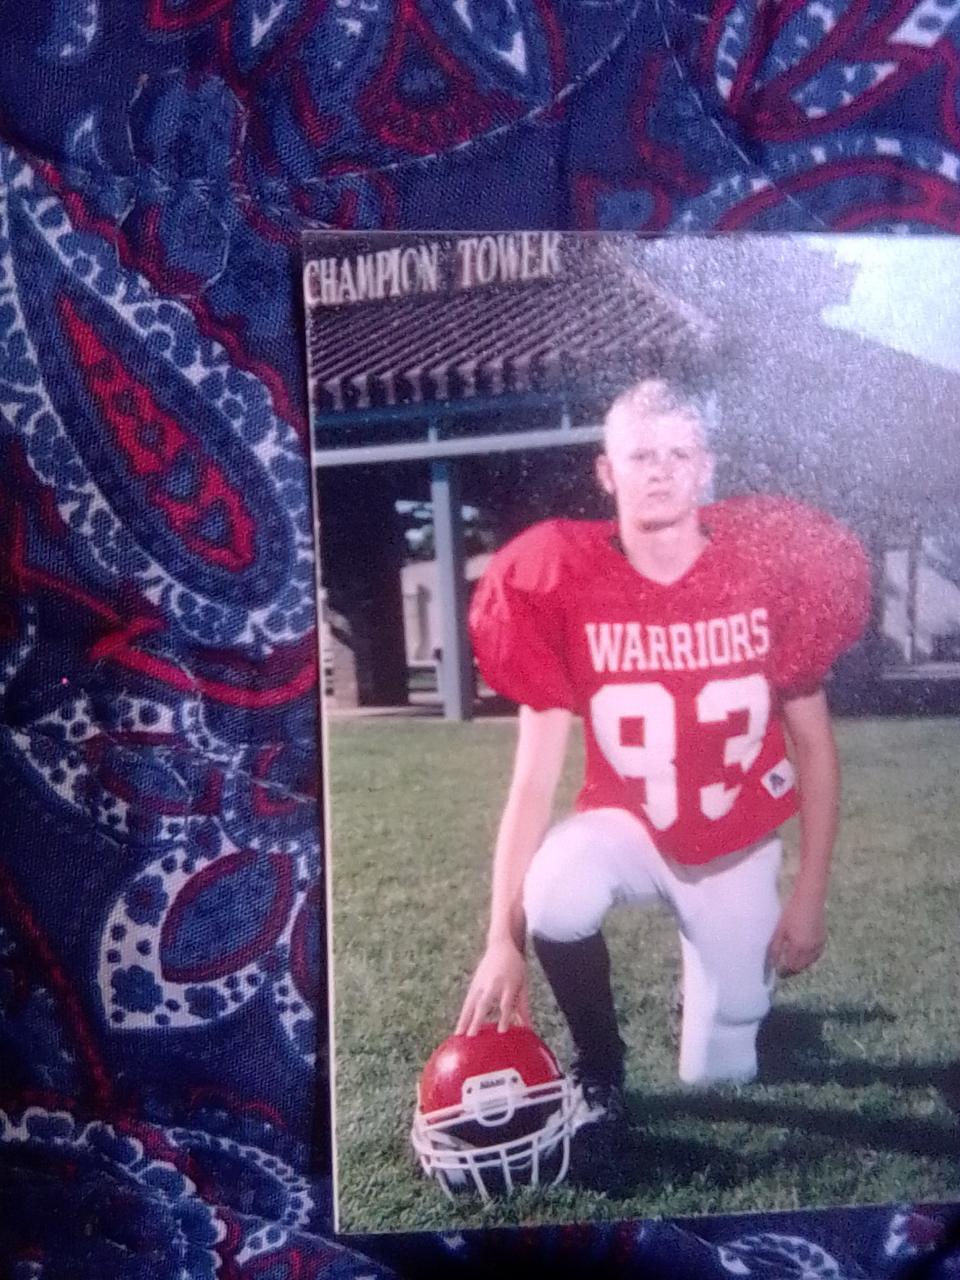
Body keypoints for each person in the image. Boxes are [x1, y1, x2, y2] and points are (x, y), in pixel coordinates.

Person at [456, 376, 870, 1184]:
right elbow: (533, 784)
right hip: (629, 828)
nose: (660, 470)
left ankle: (717, 988)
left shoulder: (768, 564)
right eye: (640, 455)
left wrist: (809, 893)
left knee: (721, 1071)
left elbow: (815, 749)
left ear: (705, 469)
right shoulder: (560, 577)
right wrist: (500, 942)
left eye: (679, 453)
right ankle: (600, 1071)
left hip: (736, 841)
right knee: (558, 888)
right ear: (606, 473)